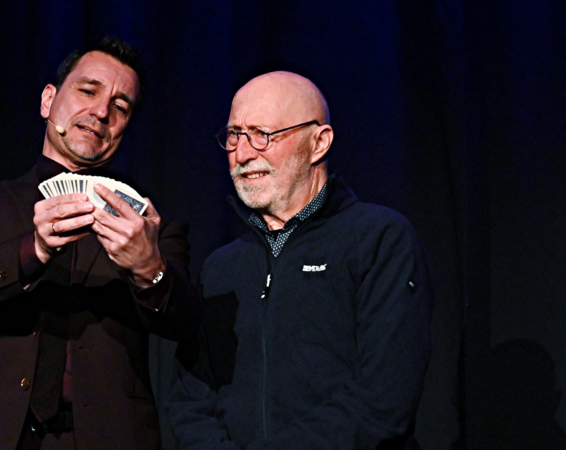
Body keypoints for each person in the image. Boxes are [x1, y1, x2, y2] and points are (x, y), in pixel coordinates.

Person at [0, 37, 199, 450]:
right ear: (48, 100)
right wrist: (31, 250)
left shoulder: (149, 225)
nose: (102, 112)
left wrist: (148, 269)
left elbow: (184, 326)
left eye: (121, 107)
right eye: (88, 91)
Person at [168, 72, 434, 449]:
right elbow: (190, 398)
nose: (242, 154)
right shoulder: (221, 268)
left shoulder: (380, 240)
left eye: (262, 134)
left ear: (318, 143)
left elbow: (382, 398)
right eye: (234, 136)